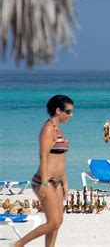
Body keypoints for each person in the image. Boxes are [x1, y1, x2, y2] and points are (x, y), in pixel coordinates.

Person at [15, 95, 74, 247]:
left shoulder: (58, 130)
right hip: (45, 181)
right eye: (68, 112)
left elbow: (61, 160)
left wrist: (65, 183)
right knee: (54, 222)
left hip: (58, 182)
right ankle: (19, 244)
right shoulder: (48, 129)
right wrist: (44, 182)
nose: (70, 115)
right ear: (58, 110)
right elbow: (43, 156)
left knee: (56, 223)